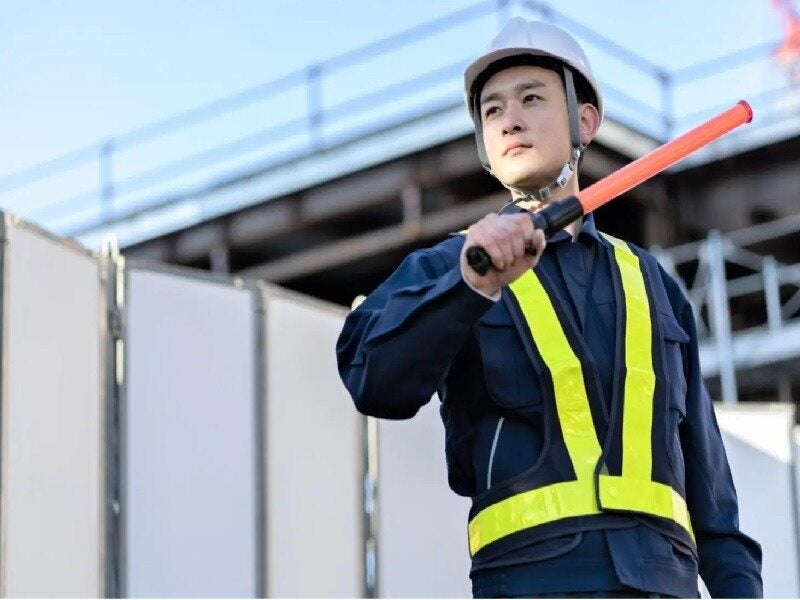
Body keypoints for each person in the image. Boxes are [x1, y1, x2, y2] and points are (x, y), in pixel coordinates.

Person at [336, 17, 762, 598]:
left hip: (664, 585)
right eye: (492, 110)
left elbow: (714, 502)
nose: (508, 120)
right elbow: (373, 379)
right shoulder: (453, 265)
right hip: (531, 581)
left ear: (585, 121)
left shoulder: (654, 286)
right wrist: (469, 286)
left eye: (531, 98)